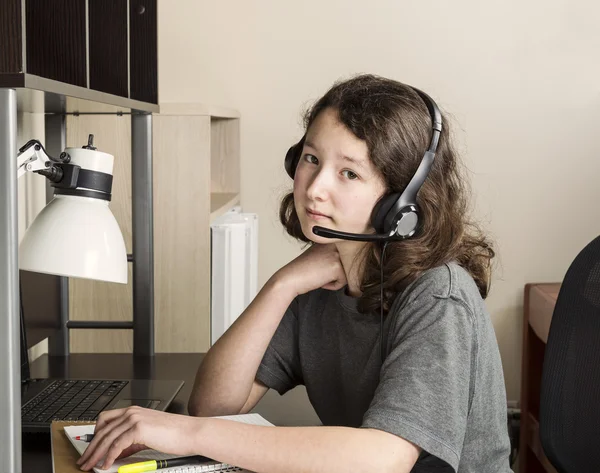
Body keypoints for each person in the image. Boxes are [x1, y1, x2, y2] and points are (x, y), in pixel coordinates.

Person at [77, 74, 513, 473]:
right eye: (310, 158)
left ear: (400, 204)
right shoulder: (319, 276)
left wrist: (184, 433)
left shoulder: (438, 296)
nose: (315, 186)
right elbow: (213, 406)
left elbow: (386, 455)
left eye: (349, 172)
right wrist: (281, 285)